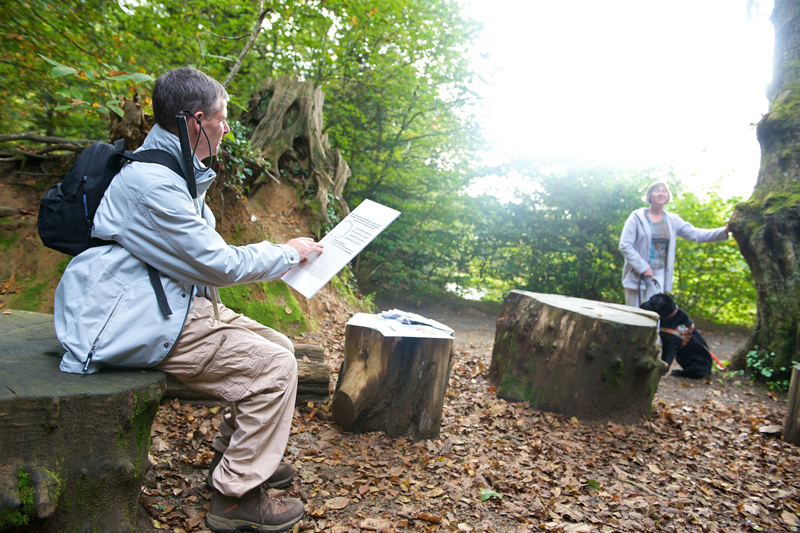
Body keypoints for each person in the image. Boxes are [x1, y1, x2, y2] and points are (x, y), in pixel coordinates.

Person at [54, 67, 322, 532]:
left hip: (157, 303)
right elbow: (216, 264)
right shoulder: (154, 184)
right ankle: (236, 497)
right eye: (223, 118)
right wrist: (288, 253)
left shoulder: (175, 169)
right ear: (197, 120)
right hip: (125, 319)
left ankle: (237, 453)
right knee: (273, 368)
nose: (227, 128)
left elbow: (198, 261)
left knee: (279, 345)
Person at [618, 181, 729, 308]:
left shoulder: (672, 220)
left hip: (659, 274)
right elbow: (625, 245)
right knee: (633, 315)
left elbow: (696, 234)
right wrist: (643, 268)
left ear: (667, 197)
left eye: (664, 191)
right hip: (637, 273)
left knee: (654, 315)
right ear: (650, 196)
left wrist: (724, 231)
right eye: (657, 190)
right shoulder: (636, 217)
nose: (661, 193)